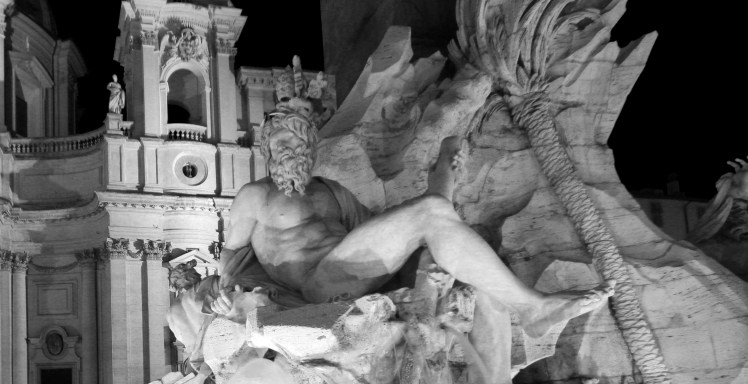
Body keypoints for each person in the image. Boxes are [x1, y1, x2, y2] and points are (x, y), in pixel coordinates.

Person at [217, 104, 612, 337]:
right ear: (266, 148)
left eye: (294, 139)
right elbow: (232, 260)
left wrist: (439, 185)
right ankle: (531, 308)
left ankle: (525, 313)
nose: (284, 145)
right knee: (432, 211)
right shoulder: (255, 196)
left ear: (308, 145)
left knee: (437, 221)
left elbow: (379, 229)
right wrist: (222, 295)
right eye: (276, 141)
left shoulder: (330, 189)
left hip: (353, 269)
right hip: (316, 287)